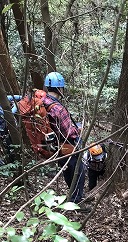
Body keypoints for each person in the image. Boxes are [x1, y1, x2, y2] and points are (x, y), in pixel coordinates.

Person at [43, 71, 86, 206]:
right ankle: (76, 201)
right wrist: (79, 128)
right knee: (79, 171)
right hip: (66, 145)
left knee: (67, 169)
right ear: (59, 88)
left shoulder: (42, 101)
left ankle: (73, 195)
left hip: (53, 145)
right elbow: (69, 133)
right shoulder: (58, 109)